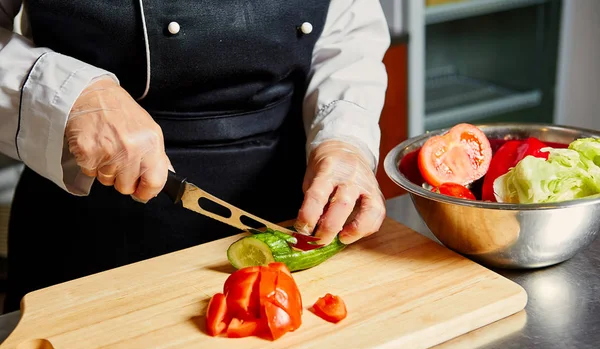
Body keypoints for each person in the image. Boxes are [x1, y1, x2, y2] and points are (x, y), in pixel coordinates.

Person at [0, 0, 390, 313]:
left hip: (287, 210)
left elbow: (349, 30)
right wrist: (70, 96)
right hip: (90, 229)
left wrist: (344, 137)